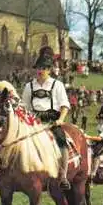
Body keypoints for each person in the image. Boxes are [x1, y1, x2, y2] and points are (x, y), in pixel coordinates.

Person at [22, 46, 71, 190]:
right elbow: (24, 107)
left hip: (52, 121)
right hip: (33, 122)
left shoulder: (58, 85)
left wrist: (61, 119)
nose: (40, 70)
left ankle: (63, 176)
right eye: (38, 67)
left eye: (43, 67)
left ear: (49, 69)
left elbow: (65, 105)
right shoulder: (29, 86)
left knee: (62, 142)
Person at [85, 105, 103, 179]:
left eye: (101, 119)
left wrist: (88, 137)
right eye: (99, 119)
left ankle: (93, 172)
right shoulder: (99, 126)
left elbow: (100, 138)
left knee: (97, 153)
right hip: (100, 141)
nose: (99, 120)